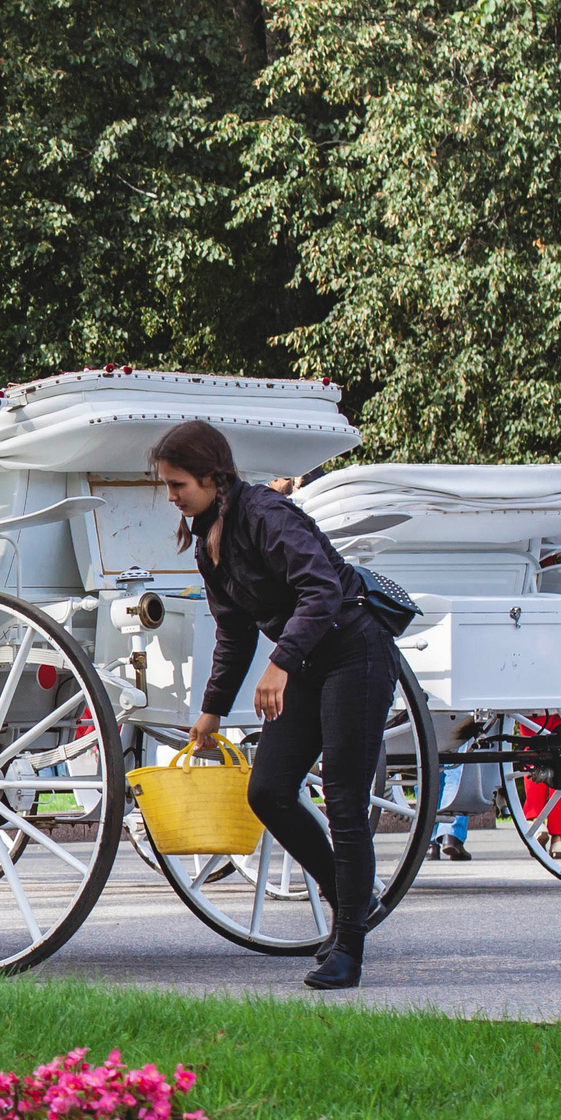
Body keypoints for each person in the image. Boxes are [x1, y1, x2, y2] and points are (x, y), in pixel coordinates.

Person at [164, 419, 396, 992]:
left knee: (343, 800)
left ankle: (347, 948)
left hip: (353, 654)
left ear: (213, 478)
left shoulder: (267, 515)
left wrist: (281, 663)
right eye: (167, 486)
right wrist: (212, 709)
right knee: (267, 790)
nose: (171, 496)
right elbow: (235, 632)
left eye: (178, 485)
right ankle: (354, 896)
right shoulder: (206, 538)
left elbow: (322, 590)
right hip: (309, 664)